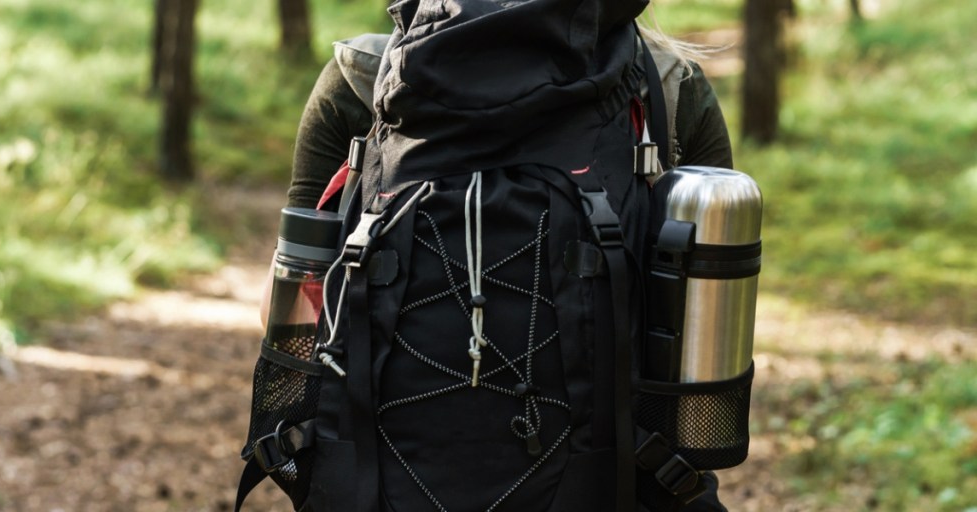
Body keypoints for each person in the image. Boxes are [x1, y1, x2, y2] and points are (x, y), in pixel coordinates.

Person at [261, 6, 734, 511]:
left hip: (380, 484)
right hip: (608, 483)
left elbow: (289, 321)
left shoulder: (360, 77)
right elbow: (700, 370)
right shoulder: (667, 87)